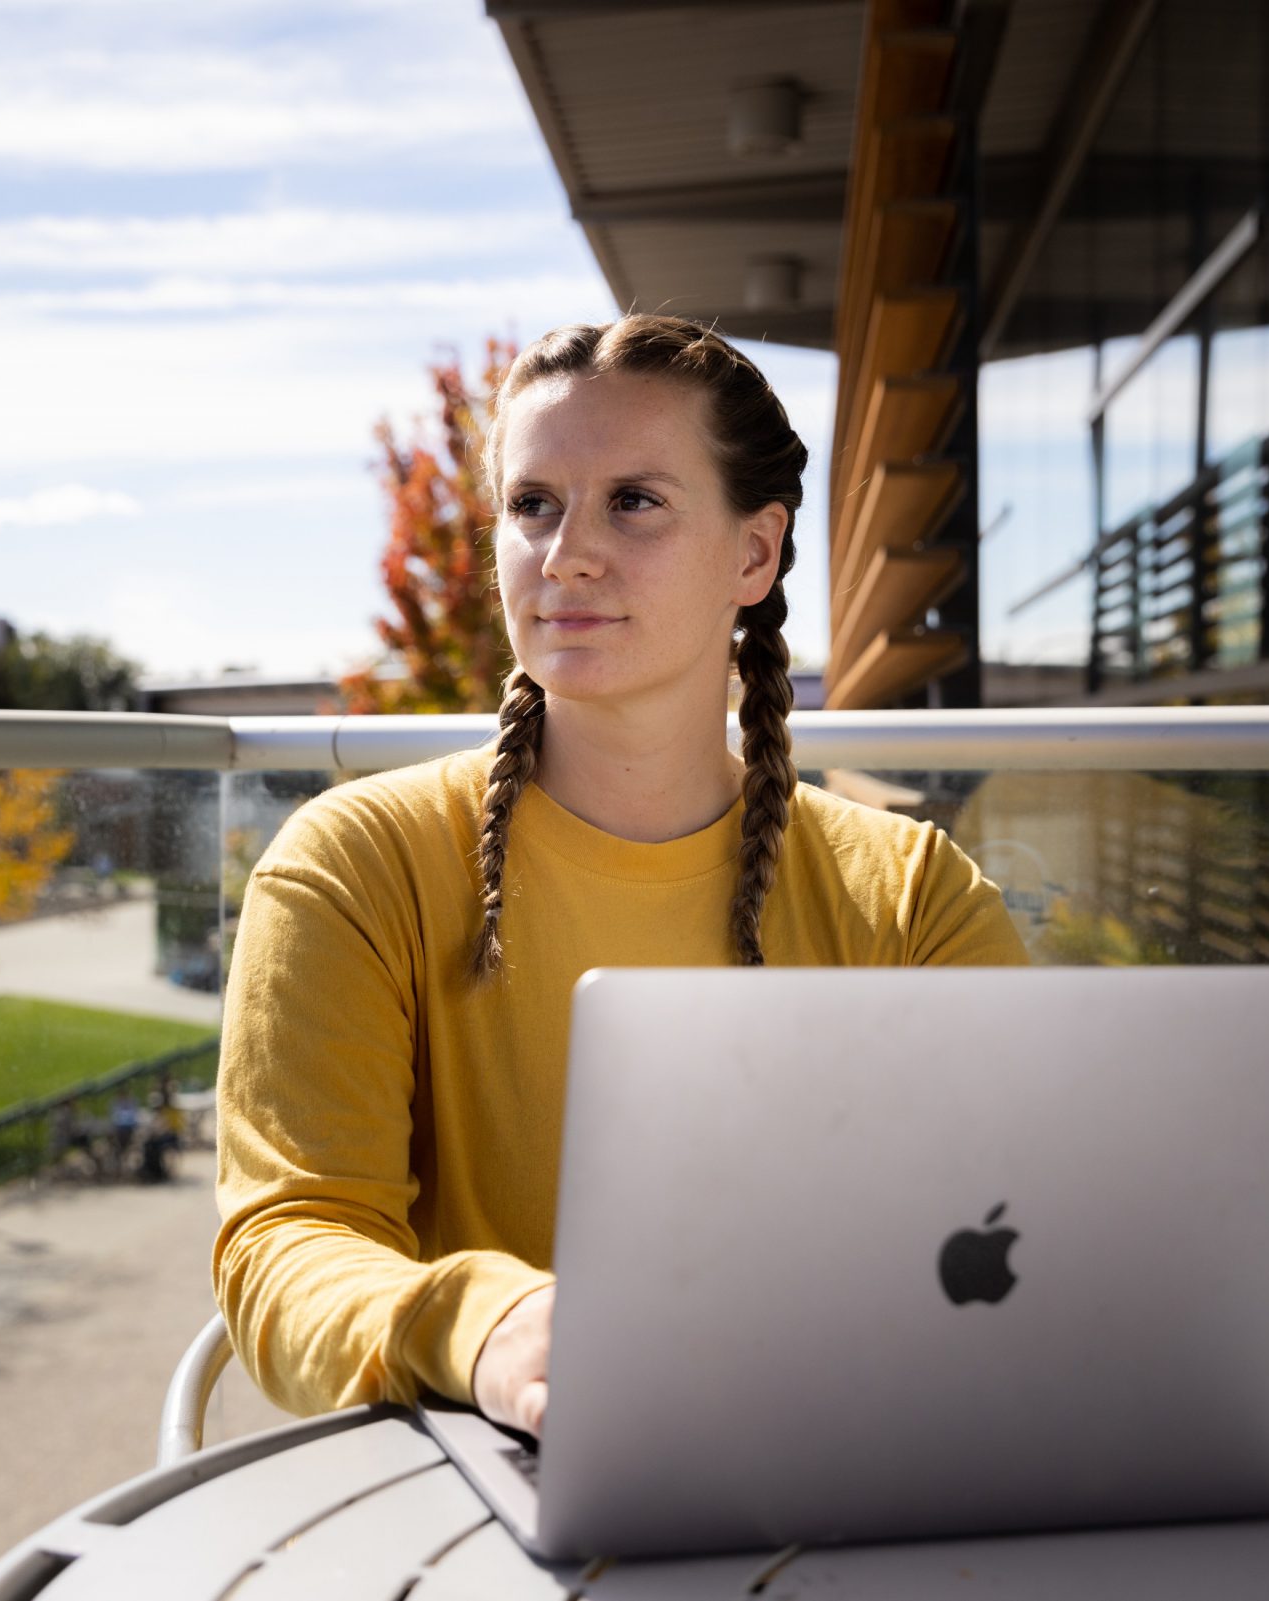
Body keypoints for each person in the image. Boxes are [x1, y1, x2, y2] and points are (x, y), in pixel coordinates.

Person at [215, 315, 1028, 1439]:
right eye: (532, 504)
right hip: (502, 1487)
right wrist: (492, 1330)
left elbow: (1033, 1222)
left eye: (634, 501)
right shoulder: (350, 864)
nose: (566, 555)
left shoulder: (911, 892)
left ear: (754, 553)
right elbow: (285, 1245)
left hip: (869, 1459)